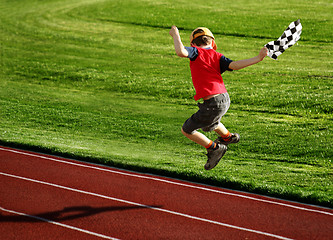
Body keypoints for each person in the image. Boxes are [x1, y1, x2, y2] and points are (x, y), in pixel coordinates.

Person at [169, 25, 268, 170]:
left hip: (212, 102)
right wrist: (258, 58)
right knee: (209, 123)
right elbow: (235, 65)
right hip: (224, 98)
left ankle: (215, 148)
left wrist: (175, 35)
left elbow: (180, 52)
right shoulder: (217, 56)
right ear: (213, 43)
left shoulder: (196, 52)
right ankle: (228, 137)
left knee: (187, 130)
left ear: (192, 44)